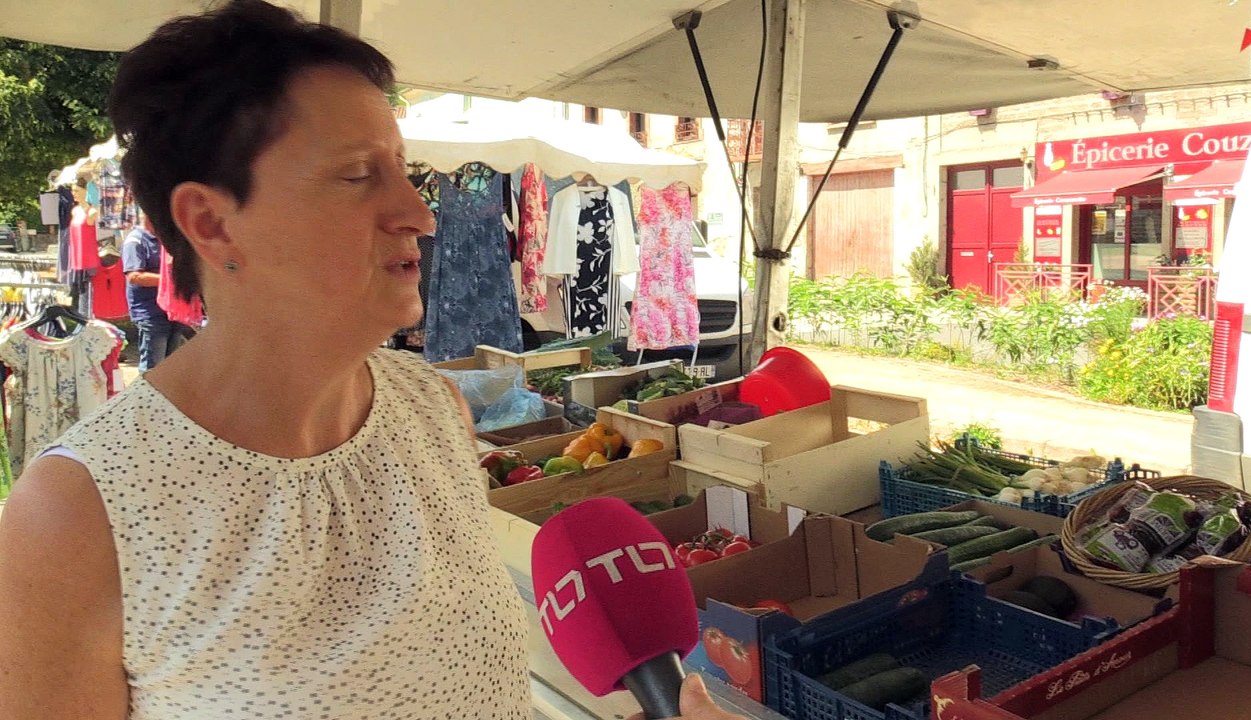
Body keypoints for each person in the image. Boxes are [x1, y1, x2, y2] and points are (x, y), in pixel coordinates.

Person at [0, 3, 744, 720]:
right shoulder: (77, 513)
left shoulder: (433, 408)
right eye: (358, 175)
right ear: (211, 222)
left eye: (403, 170)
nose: (418, 214)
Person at [122, 215, 184, 371]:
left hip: (173, 311)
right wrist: (171, 281)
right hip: (150, 312)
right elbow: (134, 276)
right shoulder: (136, 241)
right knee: (153, 368)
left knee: (171, 366)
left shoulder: (167, 238)